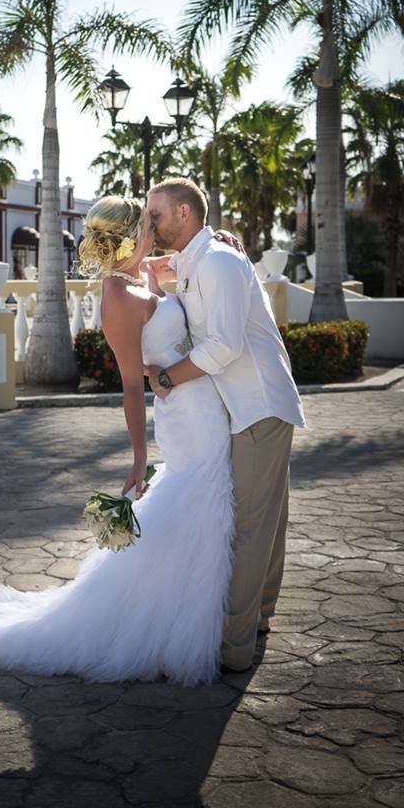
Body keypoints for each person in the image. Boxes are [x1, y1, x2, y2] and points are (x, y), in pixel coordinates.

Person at [0, 195, 236, 686]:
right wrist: (138, 458)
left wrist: (217, 244)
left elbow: (186, 267)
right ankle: (174, 626)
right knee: (198, 506)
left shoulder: (140, 272)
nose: (155, 230)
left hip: (200, 406)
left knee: (195, 510)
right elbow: (130, 385)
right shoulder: (117, 298)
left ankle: (179, 612)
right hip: (185, 418)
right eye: (148, 225)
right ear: (129, 239)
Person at [143, 178, 306, 672]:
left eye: (156, 215)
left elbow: (224, 347)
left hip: (258, 406)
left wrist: (166, 377)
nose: (151, 224)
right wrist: (147, 255)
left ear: (185, 213)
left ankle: (233, 647)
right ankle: (258, 621)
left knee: (250, 527)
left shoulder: (216, 261)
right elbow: (149, 265)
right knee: (267, 521)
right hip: (245, 407)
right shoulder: (198, 258)